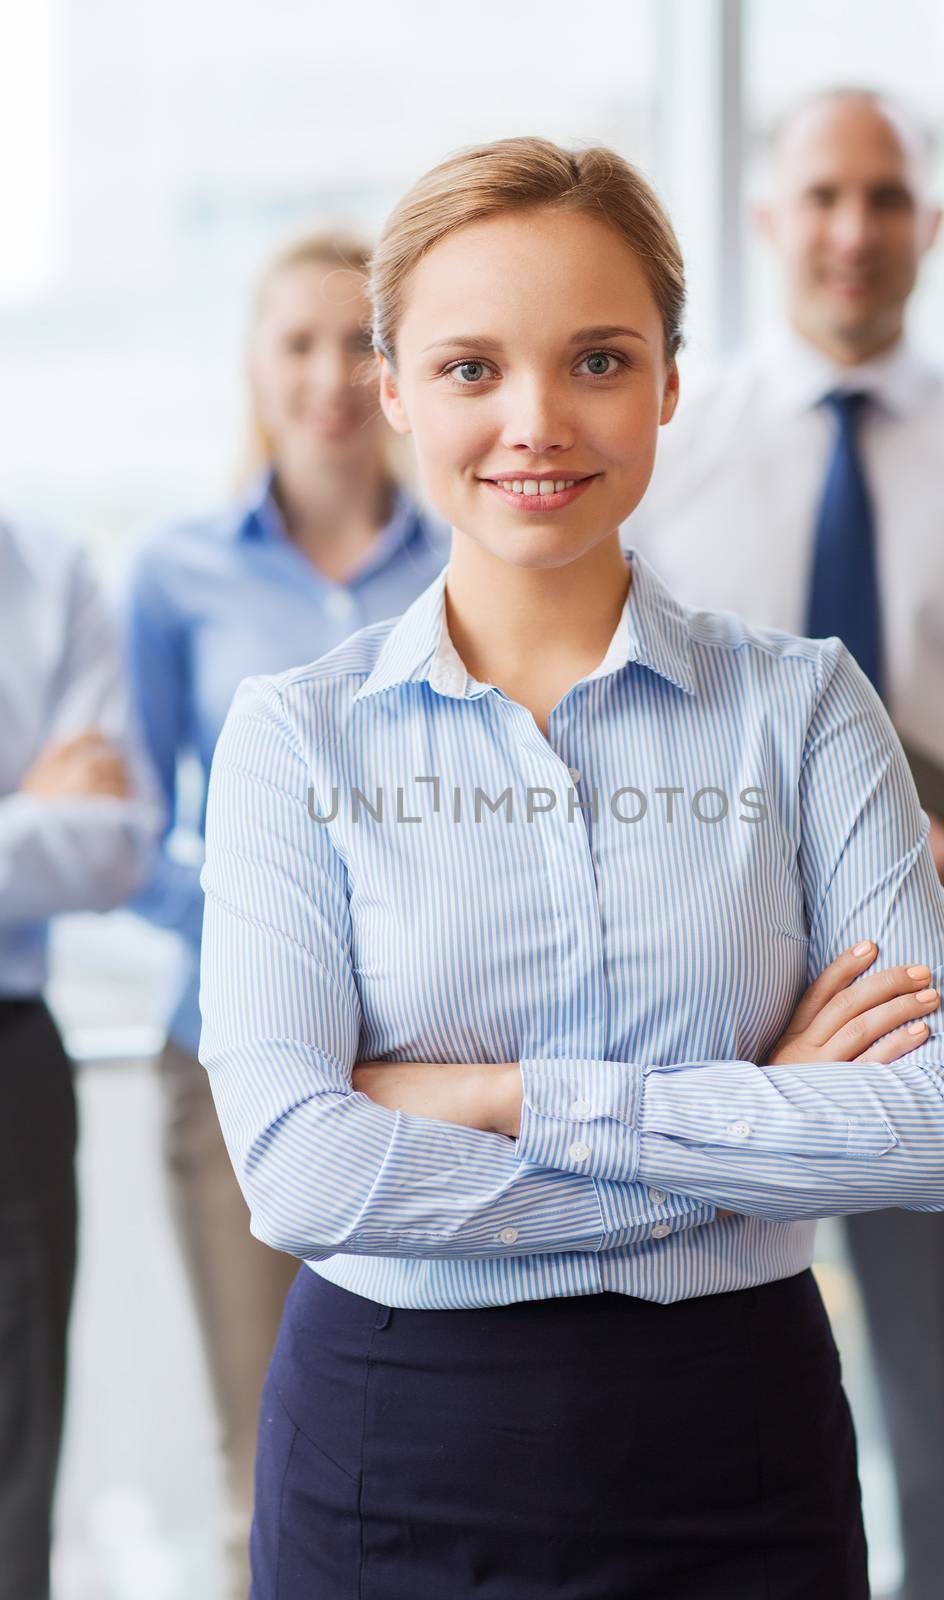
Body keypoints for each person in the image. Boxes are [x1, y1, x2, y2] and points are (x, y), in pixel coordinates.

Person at [198, 137, 944, 1600]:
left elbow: (929, 1131)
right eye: (468, 369)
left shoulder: (805, 708)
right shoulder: (294, 737)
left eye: (599, 360)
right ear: (391, 392)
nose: (536, 421)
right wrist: (743, 1145)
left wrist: (513, 1102)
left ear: (670, 383)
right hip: (397, 1447)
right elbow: (300, 1171)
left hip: (734, 1444)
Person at [627, 89, 944, 1600]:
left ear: (928, 226)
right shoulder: (668, 453)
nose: (850, 230)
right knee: (677, 1404)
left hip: (938, 976)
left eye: (883, 199)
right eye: (820, 196)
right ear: (766, 220)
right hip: (701, 990)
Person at [124, 229, 446, 1600]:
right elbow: (134, 834)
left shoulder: (467, 557)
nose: (328, 375)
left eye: (358, 342)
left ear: (400, 373)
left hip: (445, 1063)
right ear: (256, 369)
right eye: (297, 343)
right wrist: (273, 913)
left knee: (436, 1453)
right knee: (264, 1452)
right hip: (235, 1064)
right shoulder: (176, 574)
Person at [1, 518, 158, 1600]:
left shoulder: (50, 574)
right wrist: (23, 817)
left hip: (10, 1055)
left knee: (13, 1465)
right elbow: (56, 836)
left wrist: (63, 821)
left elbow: (110, 845)